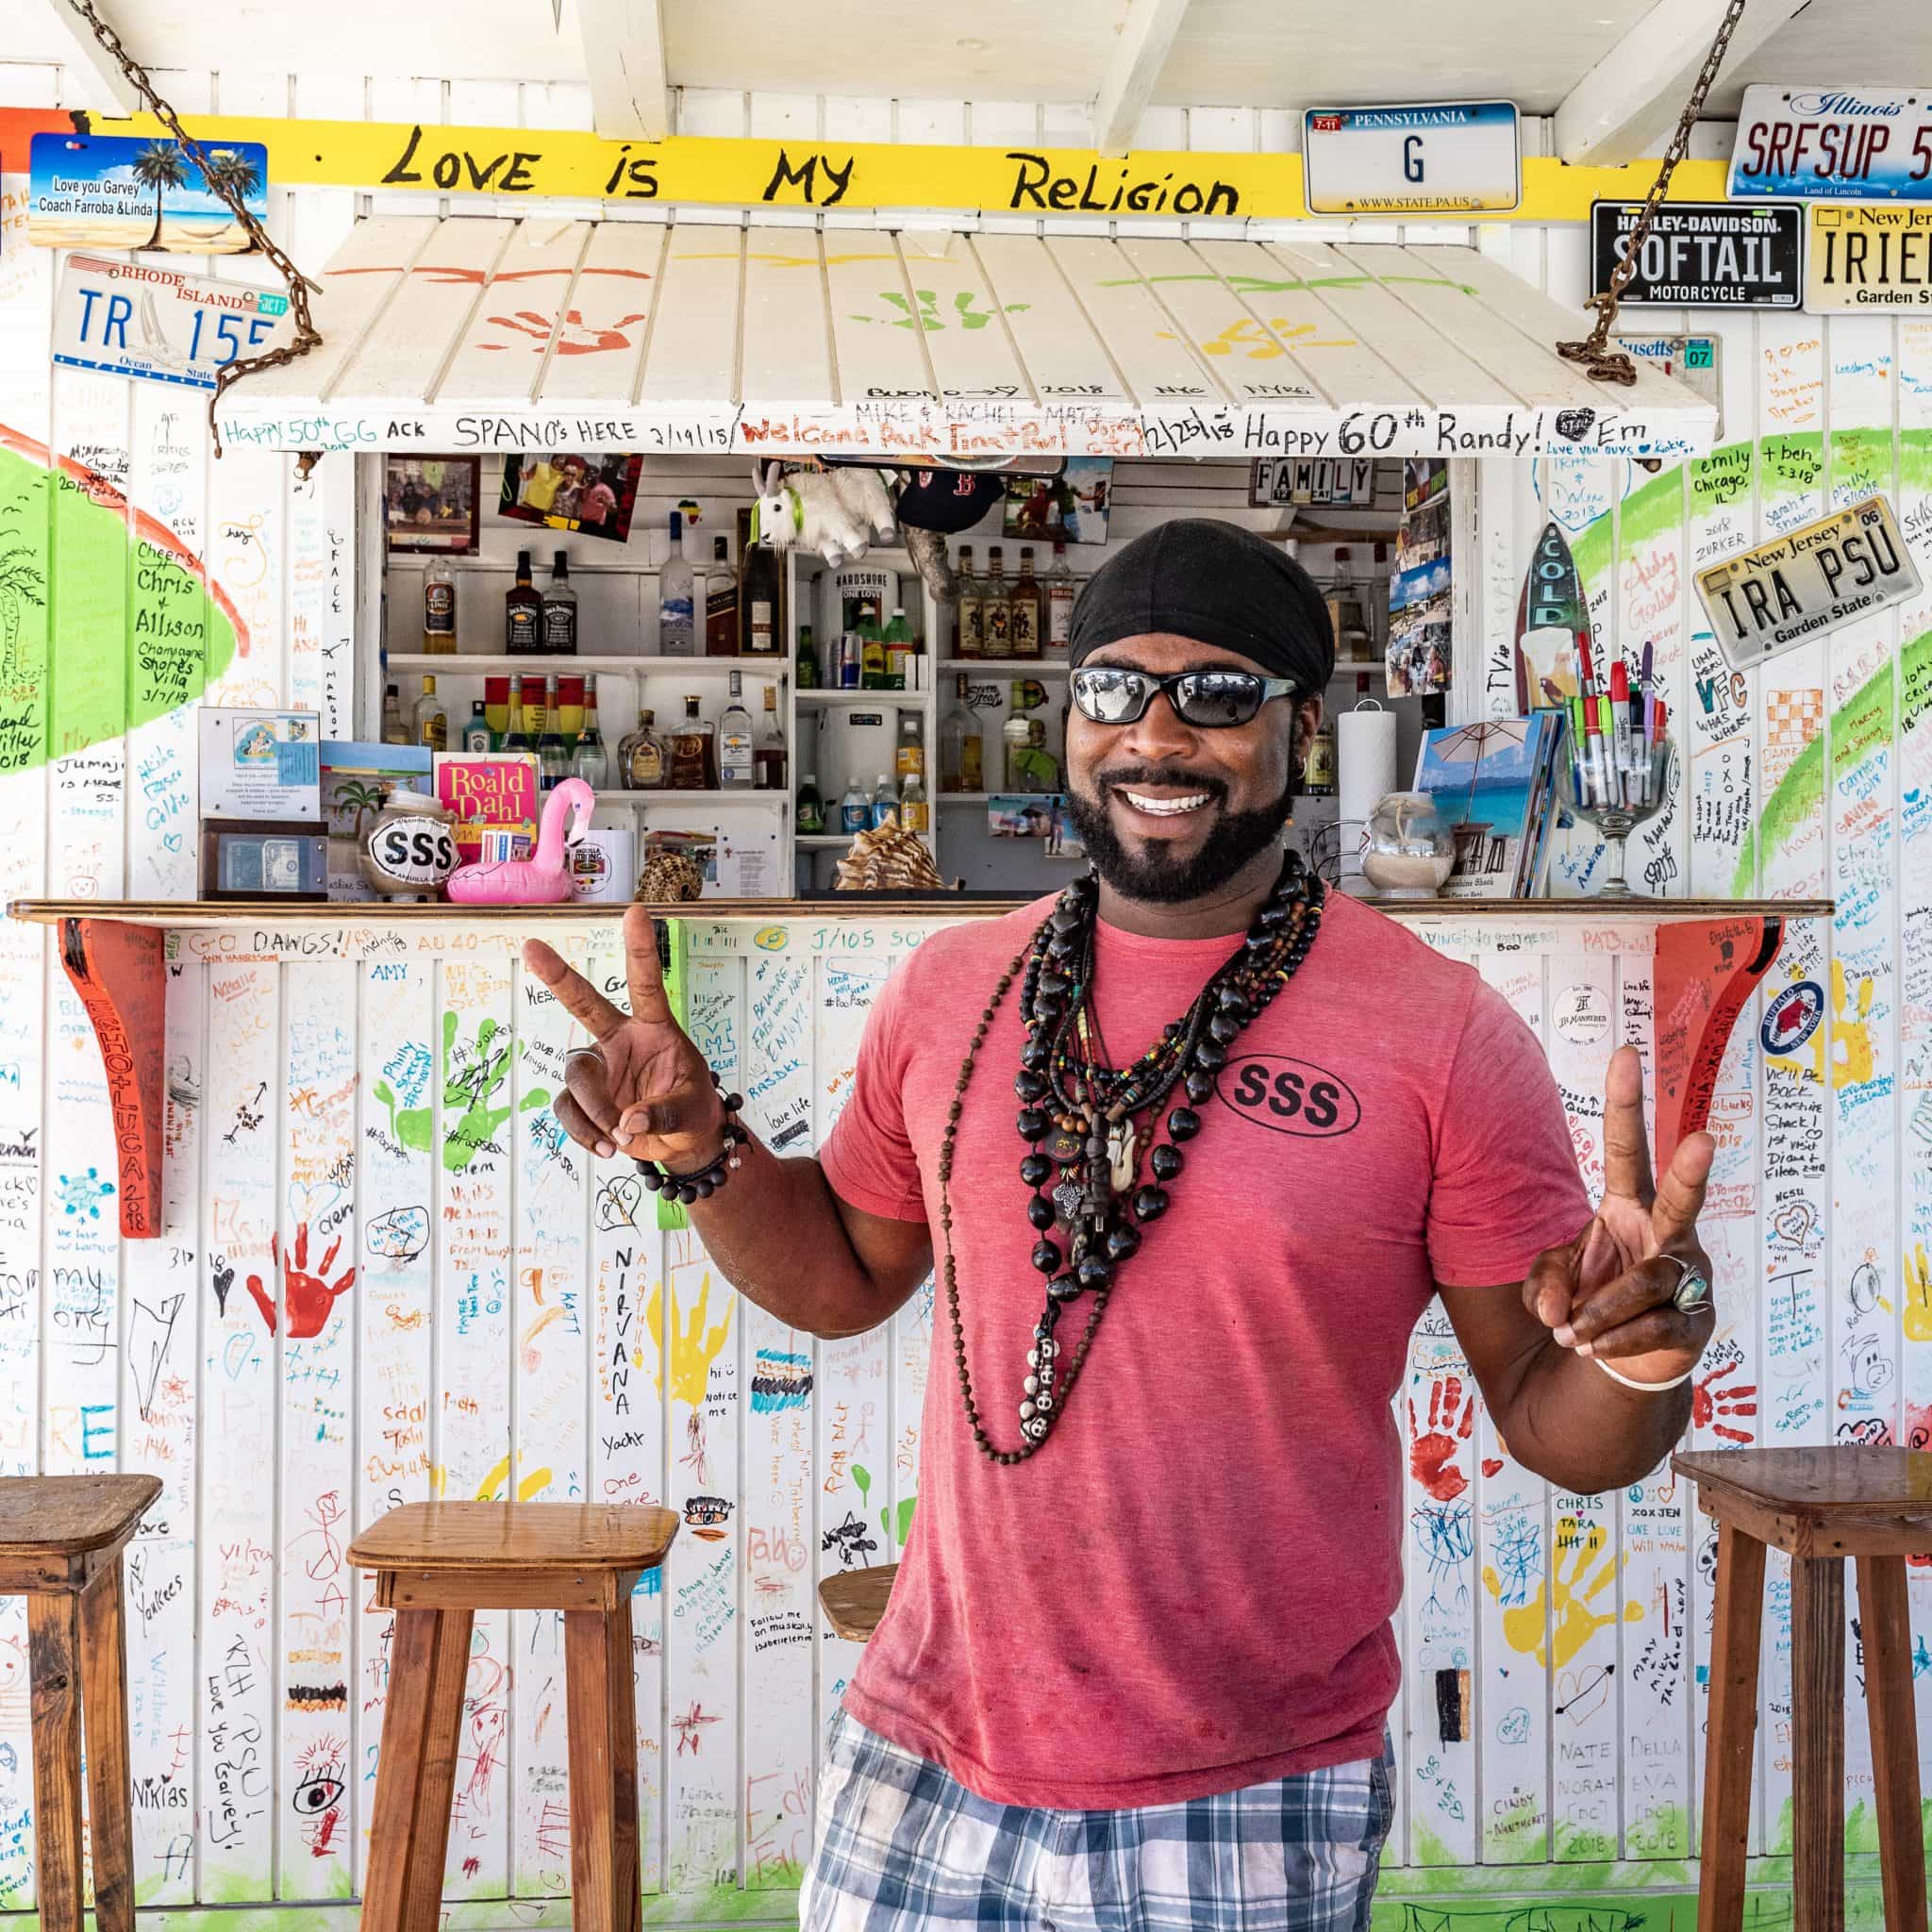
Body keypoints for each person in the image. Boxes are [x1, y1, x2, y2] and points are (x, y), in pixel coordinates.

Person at [527, 518, 1717, 1932]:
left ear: (1303, 729)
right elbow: (845, 1278)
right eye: (1112, 690)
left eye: (1217, 695)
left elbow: (1552, 1420)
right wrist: (706, 1151)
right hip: (927, 1738)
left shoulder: (1442, 1035)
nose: (1155, 735)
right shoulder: (949, 987)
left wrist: (1645, 1344)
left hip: (1247, 1781)